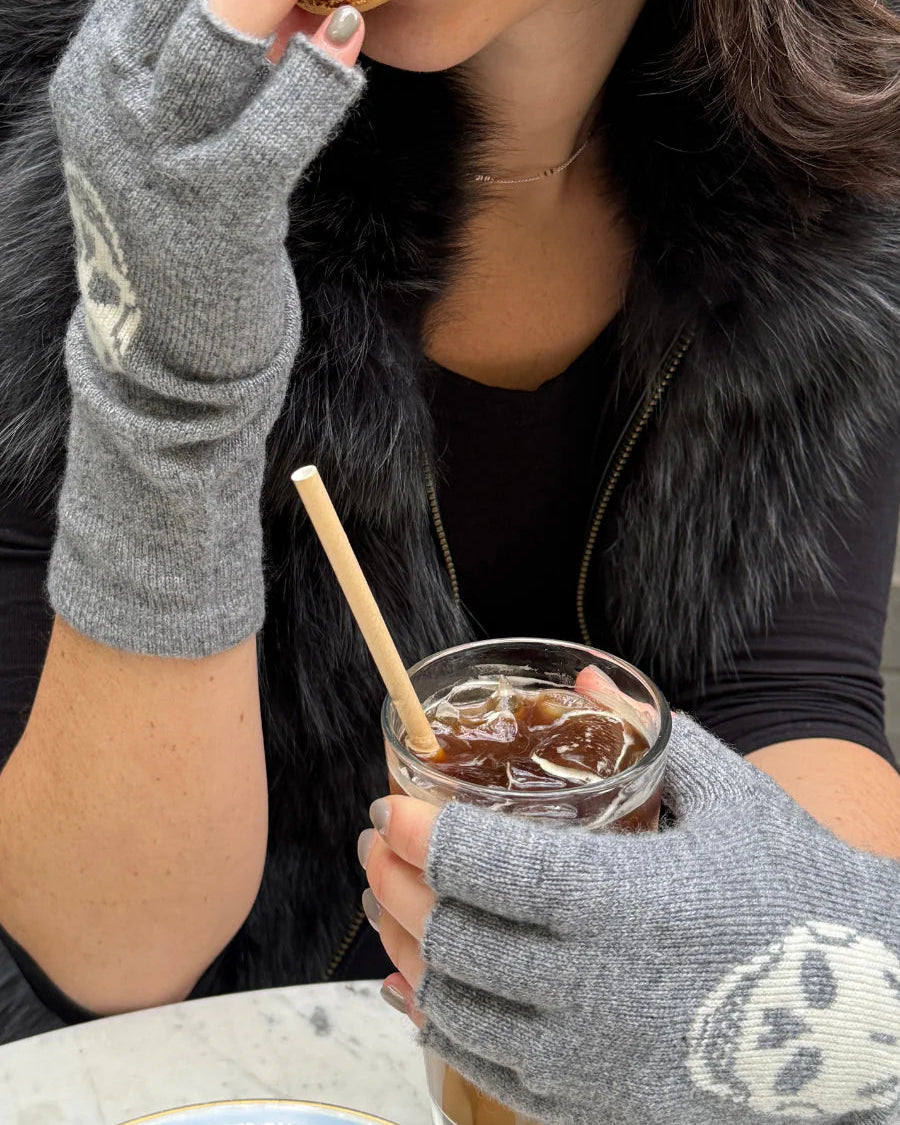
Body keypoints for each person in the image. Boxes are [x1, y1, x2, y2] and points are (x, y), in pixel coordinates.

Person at [0, 0, 897, 1116]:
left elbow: (788, 693)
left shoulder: (832, 149)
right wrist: (171, 396)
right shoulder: (121, 123)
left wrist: (799, 949)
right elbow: (105, 956)